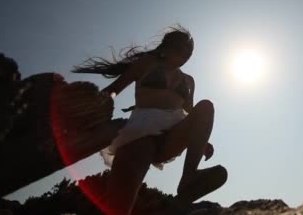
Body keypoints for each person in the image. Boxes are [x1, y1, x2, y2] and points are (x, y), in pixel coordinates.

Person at [72, 25, 227, 215]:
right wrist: (89, 108)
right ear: (168, 47)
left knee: (206, 107)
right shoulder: (147, 63)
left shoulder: (188, 80)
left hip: (172, 135)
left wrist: (203, 142)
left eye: (190, 53)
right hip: (141, 133)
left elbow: (191, 112)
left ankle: (188, 177)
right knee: (119, 206)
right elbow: (115, 88)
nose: (186, 56)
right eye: (183, 50)